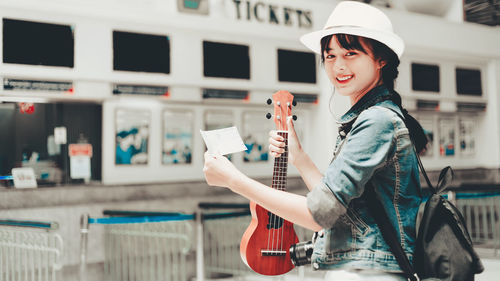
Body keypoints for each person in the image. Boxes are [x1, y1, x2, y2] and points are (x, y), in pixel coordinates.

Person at [203, 1, 427, 280]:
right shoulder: (373, 117)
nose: (338, 66)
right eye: (330, 56)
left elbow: (317, 214)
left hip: (368, 273)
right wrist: (298, 156)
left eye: (351, 53)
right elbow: (337, 206)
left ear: (381, 59)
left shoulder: (377, 121)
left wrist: (234, 180)